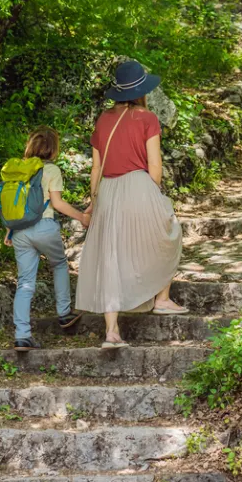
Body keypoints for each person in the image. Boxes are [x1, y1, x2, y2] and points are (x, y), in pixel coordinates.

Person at [76, 60, 186, 349]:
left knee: (110, 255)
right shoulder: (147, 118)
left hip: (108, 190)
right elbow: (154, 165)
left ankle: (112, 332)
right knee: (168, 234)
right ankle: (161, 298)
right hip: (138, 185)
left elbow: (96, 167)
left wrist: (93, 201)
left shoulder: (103, 119)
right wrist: (154, 195)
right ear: (140, 91)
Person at [6, 127, 90, 351]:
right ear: (53, 150)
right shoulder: (51, 170)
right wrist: (82, 217)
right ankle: (64, 313)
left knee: (25, 282)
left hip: (20, 231)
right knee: (59, 264)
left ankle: (22, 335)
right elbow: (58, 203)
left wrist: (9, 230)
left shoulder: (19, 169)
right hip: (44, 226)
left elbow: (14, 204)